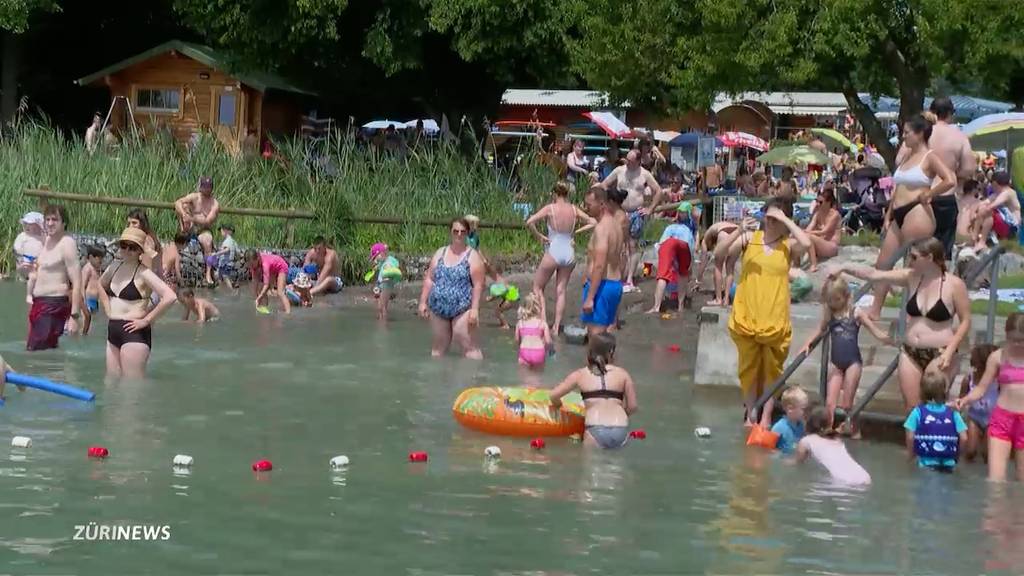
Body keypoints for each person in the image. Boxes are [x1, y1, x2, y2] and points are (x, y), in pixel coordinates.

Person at [832, 237, 971, 409]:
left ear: (929, 258)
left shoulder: (954, 284)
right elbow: (875, 274)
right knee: (911, 410)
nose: (909, 261)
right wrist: (844, 267)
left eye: (914, 257)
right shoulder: (911, 277)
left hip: (940, 351)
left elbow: (965, 321)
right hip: (910, 351)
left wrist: (949, 352)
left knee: (933, 407)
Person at [718, 197, 811, 427]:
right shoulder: (750, 238)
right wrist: (738, 230)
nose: (770, 221)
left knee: (773, 369)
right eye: (768, 216)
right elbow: (719, 254)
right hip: (748, 313)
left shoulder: (788, 245)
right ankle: (751, 414)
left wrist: (785, 220)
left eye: (775, 218)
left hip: (774, 315)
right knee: (748, 368)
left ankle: (767, 416)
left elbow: (807, 244)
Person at [866, 114, 956, 320]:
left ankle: (911, 313)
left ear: (920, 134)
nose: (903, 136)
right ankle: (875, 309)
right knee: (883, 262)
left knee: (913, 265)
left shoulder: (930, 156)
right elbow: (897, 187)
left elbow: (949, 180)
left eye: (907, 133)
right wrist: (888, 214)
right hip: (898, 211)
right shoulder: (906, 156)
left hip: (918, 211)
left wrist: (930, 194)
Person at [798, 278, 894, 435]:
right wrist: (807, 343)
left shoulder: (855, 312)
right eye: (830, 300)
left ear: (846, 296)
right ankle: (827, 430)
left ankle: (855, 430)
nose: (834, 303)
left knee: (847, 403)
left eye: (837, 299)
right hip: (836, 363)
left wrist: (888, 340)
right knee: (830, 402)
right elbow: (820, 329)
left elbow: (873, 329)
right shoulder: (830, 314)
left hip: (852, 363)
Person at [954, 313, 1024, 482]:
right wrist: (964, 400)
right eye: (1013, 339)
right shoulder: (997, 357)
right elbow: (981, 388)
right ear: (1006, 336)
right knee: (995, 481)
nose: (1017, 344)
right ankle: (994, 508)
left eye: (1022, 340)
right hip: (1002, 420)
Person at [100, 227, 177, 378]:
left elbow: (170, 296)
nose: (127, 250)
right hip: (113, 329)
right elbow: (99, 285)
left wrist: (147, 320)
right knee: (111, 381)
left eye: (132, 247)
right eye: (124, 246)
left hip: (134, 332)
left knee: (132, 386)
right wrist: (107, 308)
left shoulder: (144, 273)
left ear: (140, 251)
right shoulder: (114, 267)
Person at [525, 181, 596, 335]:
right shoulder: (574, 209)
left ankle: (543, 322)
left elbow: (529, 221)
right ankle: (556, 327)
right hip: (569, 251)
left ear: (554, 193)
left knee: (537, 287)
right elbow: (593, 222)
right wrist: (576, 233)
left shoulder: (550, 208)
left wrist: (540, 236)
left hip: (554, 248)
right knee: (561, 290)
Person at [549, 333, 638, 449]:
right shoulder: (623, 374)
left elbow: (553, 395)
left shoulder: (580, 374)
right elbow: (633, 407)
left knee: (592, 465)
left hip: (595, 429)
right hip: (620, 428)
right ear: (612, 352)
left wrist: (559, 406)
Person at [418, 217, 486, 359]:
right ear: (451, 232)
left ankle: (476, 378)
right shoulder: (440, 253)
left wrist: (474, 309)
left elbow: (478, 285)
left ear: (467, 233)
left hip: (462, 309)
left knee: (468, 346)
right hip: (438, 308)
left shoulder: (472, 256)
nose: (459, 235)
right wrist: (423, 302)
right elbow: (430, 278)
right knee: (438, 348)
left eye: (462, 231)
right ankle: (438, 378)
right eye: (456, 231)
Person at [598, 149, 664, 291]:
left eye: (631, 161)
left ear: (638, 161)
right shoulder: (619, 170)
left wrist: (650, 209)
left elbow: (658, 190)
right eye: (627, 159)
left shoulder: (645, 174)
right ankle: (618, 276)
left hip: (636, 212)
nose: (627, 163)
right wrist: (609, 201)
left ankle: (629, 279)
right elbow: (604, 184)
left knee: (632, 246)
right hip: (620, 211)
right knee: (618, 245)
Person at [921, 97, 977, 260]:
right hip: (946, 195)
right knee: (942, 248)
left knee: (918, 244)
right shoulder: (959, 137)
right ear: (950, 114)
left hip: (922, 193)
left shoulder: (921, 133)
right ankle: (940, 282)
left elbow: (900, 160)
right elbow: (968, 169)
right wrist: (953, 174)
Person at [28, 205, 82, 350]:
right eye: (47, 219)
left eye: (55, 220)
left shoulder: (67, 243)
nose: (50, 223)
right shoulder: (46, 242)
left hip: (54, 305)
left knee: (37, 354)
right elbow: (38, 274)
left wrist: (74, 317)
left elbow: (77, 282)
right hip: (38, 304)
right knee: (38, 352)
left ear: (63, 223)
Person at [581, 187, 626, 336]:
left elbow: (599, 265)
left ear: (601, 205)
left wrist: (590, 298)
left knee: (595, 340)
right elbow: (621, 257)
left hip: (602, 286)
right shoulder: (616, 226)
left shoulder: (601, 228)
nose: (586, 208)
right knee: (605, 340)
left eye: (589, 205)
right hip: (615, 284)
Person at [904, 371, 967, 472]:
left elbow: (910, 437)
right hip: (949, 463)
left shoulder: (917, 413)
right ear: (945, 392)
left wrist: (911, 455)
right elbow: (964, 438)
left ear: (922, 392)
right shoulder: (953, 414)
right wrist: (958, 456)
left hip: (925, 462)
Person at [795, 406, 871, 485]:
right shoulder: (836, 439)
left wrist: (786, 462)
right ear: (830, 423)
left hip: (843, 481)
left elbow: (798, 462)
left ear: (806, 422)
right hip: (864, 476)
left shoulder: (806, 441)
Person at [646, 202, 697, 314]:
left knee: (663, 275)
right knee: (683, 274)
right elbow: (691, 250)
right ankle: (680, 306)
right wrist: (689, 266)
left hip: (668, 243)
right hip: (684, 245)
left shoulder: (670, 227)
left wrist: (666, 262)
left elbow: (661, 245)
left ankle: (656, 306)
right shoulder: (689, 229)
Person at [174, 176, 221, 287]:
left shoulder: (214, 204)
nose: (207, 189)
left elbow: (207, 221)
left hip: (202, 229)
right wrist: (184, 214)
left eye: (209, 186)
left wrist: (192, 219)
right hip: (188, 226)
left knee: (208, 241)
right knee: (184, 205)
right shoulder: (194, 197)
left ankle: (208, 274)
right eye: (204, 186)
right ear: (200, 186)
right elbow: (177, 203)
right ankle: (182, 233)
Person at [961, 343, 999, 462]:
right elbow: (962, 397)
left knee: (988, 454)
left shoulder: (998, 381)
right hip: (974, 417)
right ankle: (966, 470)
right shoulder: (969, 379)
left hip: (992, 419)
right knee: (971, 450)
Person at [971, 171, 1020, 251]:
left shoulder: (1008, 193)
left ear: (995, 183)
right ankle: (975, 238)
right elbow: (983, 203)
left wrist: (979, 213)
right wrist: (975, 212)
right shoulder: (998, 194)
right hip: (1004, 224)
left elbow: (991, 206)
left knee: (988, 211)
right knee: (982, 209)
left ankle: (981, 242)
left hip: (1011, 228)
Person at [696, 220, 740, 306]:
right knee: (730, 267)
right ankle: (726, 299)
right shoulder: (716, 227)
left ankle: (718, 299)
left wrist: (698, 280)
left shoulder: (705, 239)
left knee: (718, 266)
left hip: (723, 232)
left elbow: (703, 261)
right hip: (738, 233)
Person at [804, 186, 842, 272]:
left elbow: (823, 231)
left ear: (828, 203)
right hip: (820, 243)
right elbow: (810, 227)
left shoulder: (834, 215)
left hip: (831, 246)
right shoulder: (818, 213)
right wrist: (803, 232)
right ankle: (796, 263)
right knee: (803, 236)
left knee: (809, 236)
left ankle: (814, 264)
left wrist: (807, 232)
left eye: (820, 202)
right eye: (816, 201)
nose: (817, 204)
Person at [244, 249, 291, 314]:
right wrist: (256, 297)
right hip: (272, 268)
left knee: (280, 292)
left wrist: (259, 297)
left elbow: (266, 284)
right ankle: (264, 307)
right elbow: (254, 281)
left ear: (257, 259)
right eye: (249, 265)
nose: (251, 266)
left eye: (252, 264)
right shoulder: (253, 265)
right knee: (261, 290)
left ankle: (288, 312)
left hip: (281, 266)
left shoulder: (265, 264)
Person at [514, 293, 552, 370]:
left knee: (524, 379)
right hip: (538, 352)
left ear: (524, 307)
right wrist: (551, 352)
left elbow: (517, 340)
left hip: (524, 351)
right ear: (537, 307)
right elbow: (548, 342)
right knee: (537, 379)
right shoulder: (542, 323)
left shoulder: (520, 323)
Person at [771, 387, 809, 455]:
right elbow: (770, 450)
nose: (806, 412)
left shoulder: (801, 425)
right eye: (803, 409)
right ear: (790, 409)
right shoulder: (779, 427)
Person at [126, 208, 162, 277]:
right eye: (129, 223)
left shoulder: (146, 240)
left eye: (134, 223)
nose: (130, 226)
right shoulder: (148, 237)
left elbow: (147, 266)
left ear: (142, 223)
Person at [369, 242, 401, 321]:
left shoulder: (388, 262)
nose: (375, 260)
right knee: (382, 305)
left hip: (386, 284)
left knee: (382, 307)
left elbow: (391, 268)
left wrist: (388, 277)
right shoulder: (384, 261)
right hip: (383, 285)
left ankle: (383, 323)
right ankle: (382, 320)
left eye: (376, 257)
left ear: (381, 253)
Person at [80, 245, 107, 336]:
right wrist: (84, 302)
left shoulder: (98, 269)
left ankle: (87, 335)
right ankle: (82, 334)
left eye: (102, 258)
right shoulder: (88, 268)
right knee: (85, 322)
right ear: (91, 257)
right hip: (88, 299)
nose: (101, 260)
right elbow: (82, 286)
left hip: (95, 300)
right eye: (98, 258)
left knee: (93, 324)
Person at [13, 211, 44, 280]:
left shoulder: (43, 237)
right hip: (24, 264)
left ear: (38, 225)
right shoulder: (22, 236)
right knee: (25, 270)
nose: (27, 226)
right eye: (25, 224)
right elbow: (17, 251)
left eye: (30, 224)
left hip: (38, 265)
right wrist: (22, 260)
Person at [208, 224, 240, 288]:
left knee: (225, 276)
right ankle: (221, 292)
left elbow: (227, 250)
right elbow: (237, 252)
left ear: (226, 231)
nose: (221, 233)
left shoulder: (228, 240)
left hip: (226, 263)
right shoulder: (231, 241)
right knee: (220, 278)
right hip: (223, 263)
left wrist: (216, 254)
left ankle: (231, 292)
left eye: (221, 231)